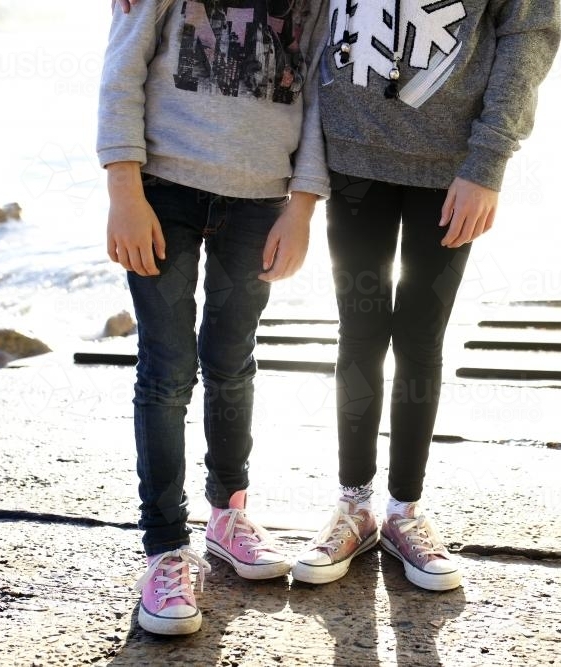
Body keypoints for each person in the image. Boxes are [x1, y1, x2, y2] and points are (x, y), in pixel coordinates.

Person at [117, 0, 561, 593]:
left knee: (419, 338)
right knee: (357, 330)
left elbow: (529, 30)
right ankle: (351, 507)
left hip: (448, 165)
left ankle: (404, 511)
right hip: (350, 156)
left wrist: (488, 162)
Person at [99, 0, 329, 635]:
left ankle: (228, 514)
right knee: (167, 369)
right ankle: (166, 547)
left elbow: (318, 93)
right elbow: (123, 68)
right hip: (162, 189)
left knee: (231, 360)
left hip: (261, 198)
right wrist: (123, 190)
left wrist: (303, 207)